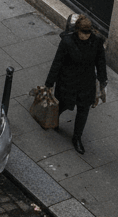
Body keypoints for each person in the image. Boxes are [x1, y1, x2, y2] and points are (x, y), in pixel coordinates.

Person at [45, 14, 107, 155]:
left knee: (83, 110)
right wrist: (49, 82)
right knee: (63, 104)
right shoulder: (67, 42)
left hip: (86, 83)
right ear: (77, 30)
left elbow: (101, 62)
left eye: (88, 33)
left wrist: (103, 81)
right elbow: (57, 62)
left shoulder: (96, 42)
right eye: (83, 33)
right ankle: (54, 120)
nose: (85, 36)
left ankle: (77, 138)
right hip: (68, 81)